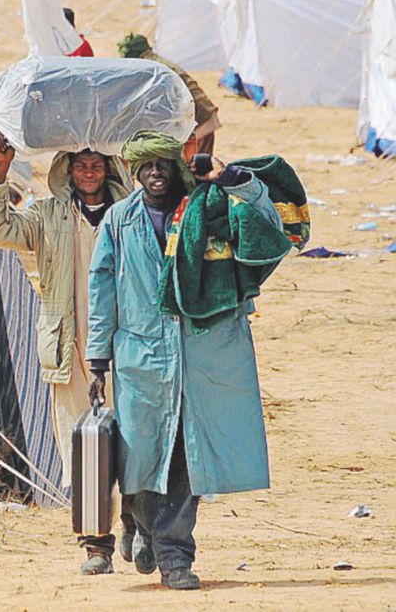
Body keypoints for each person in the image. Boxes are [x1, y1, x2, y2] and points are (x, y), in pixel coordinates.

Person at [87, 131, 284, 591]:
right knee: (138, 458)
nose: (157, 173)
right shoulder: (119, 220)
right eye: (147, 166)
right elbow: (101, 289)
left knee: (183, 458)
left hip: (200, 356)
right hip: (141, 358)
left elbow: (267, 225)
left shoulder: (209, 207)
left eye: (164, 165)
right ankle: (138, 523)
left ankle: (175, 555)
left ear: (177, 168)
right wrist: (98, 358)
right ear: (135, 173)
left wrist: (232, 179)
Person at [0, 135, 135, 574]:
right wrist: (2, 172)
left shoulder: (129, 215)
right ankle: (96, 545)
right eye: (81, 166)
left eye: (96, 166)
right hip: (69, 347)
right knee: (82, 443)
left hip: (125, 343)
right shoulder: (47, 215)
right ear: (69, 172)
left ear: (109, 170)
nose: (89, 173)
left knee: (133, 439)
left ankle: (133, 525)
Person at [118, 34, 219, 153]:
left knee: (192, 165)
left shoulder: (148, 68)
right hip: (204, 114)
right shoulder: (156, 62)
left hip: (196, 119)